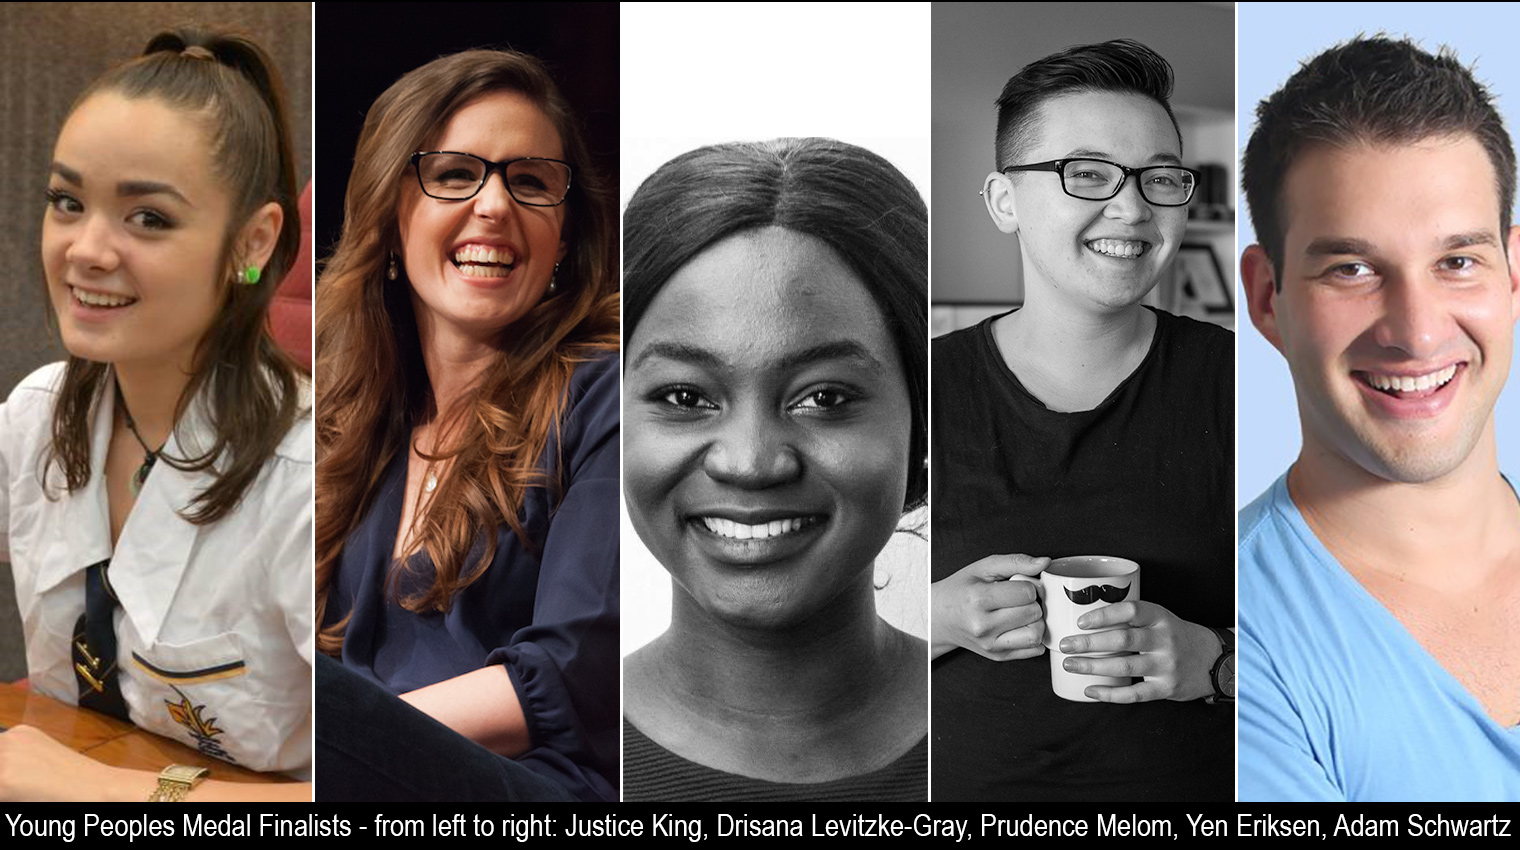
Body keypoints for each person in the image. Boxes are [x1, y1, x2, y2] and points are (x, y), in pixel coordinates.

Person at [0, 30, 310, 802]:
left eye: (148, 219)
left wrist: (90, 788)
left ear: (253, 242)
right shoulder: (40, 412)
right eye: (68, 203)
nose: (86, 250)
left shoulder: (310, 478)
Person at [930, 39, 1235, 801]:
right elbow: (808, 633)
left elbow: (1360, 643)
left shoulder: (1250, 387)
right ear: (1005, 202)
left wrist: (1212, 661)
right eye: (1088, 174)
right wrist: (930, 620)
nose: (1132, 208)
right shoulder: (915, 387)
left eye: (1159, 178)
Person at [312, 49, 619, 803]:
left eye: (530, 182)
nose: (494, 204)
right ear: (389, 217)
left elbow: (576, 672)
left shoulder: (612, 391)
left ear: (564, 235)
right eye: (454, 174)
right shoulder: (352, 405)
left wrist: (345, 738)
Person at [1239, 36, 1520, 801]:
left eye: (1458, 260)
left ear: (1513, 273)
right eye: (1352, 269)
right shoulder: (1233, 634)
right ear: (1268, 298)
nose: (1418, 331)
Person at [620, 138, 928, 802]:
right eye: (684, 397)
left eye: (826, 398)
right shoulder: (548, 757)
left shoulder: (1020, 728)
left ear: (923, 421)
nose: (751, 462)